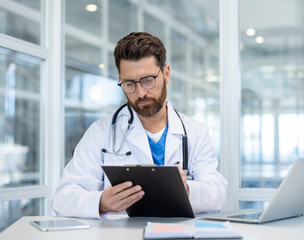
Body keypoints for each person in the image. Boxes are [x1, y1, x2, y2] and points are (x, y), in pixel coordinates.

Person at [52, 32, 227, 218]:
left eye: (148, 80)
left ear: (166, 74)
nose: (141, 92)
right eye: (129, 83)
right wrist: (101, 202)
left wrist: (188, 189)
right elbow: (62, 198)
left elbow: (216, 193)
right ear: (120, 79)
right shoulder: (101, 132)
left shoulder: (195, 132)